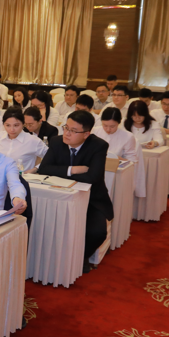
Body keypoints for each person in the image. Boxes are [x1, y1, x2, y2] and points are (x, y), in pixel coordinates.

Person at [37, 111, 113, 270]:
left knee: (97, 233)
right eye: (66, 128)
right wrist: (72, 170)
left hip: (92, 199)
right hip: (59, 196)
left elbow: (93, 177)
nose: (67, 133)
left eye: (73, 130)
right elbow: (44, 169)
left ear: (86, 134)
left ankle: (81, 256)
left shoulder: (98, 146)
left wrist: (59, 172)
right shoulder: (57, 141)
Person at [0, 109, 48, 173]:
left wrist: (35, 169)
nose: (12, 129)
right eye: (8, 125)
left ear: (23, 124)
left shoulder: (32, 140)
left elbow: (51, 157)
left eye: (16, 125)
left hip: (21, 177)